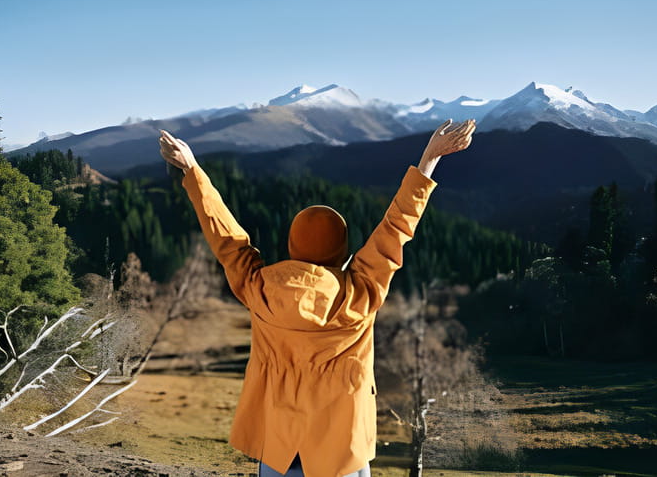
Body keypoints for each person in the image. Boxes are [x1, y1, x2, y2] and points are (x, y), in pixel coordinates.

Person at [158, 118, 476, 477]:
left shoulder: (259, 287)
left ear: (292, 247)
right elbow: (396, 228)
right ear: (343, 254)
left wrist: (192, 170)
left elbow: (227, 240)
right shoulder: (361, 292)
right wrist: (428, 161)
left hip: (279, 449)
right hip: (343, 451)